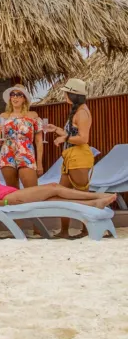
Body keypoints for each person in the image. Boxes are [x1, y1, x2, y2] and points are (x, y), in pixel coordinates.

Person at [0, 151, 115, 209]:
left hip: (14, 194)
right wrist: (6, 204)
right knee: (53, 187)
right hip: (9, 199)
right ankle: (97, 197)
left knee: (54, 198)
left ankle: (93, 204)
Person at [44, 78, 95, 238]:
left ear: (73, 95)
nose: (64, 95)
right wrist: (57, 129)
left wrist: (63, 139)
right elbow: (72, 134)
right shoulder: (77, 111)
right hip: (70, 158)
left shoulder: (82, 113)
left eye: (67, 92)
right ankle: (64, 230)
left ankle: (89, 229)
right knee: (62, 194)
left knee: (83, 196)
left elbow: (83, 139)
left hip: (78, 157)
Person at [0, 85, 43, 189]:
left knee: (32, 191)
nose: (15, 97)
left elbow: (39, 142)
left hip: (26, 153)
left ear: (24, 98)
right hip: (7, 154)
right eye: (13, 95)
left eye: (19, 95)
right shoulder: (3, 116)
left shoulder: (32, 115)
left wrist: (39, 163)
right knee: (13, 192)